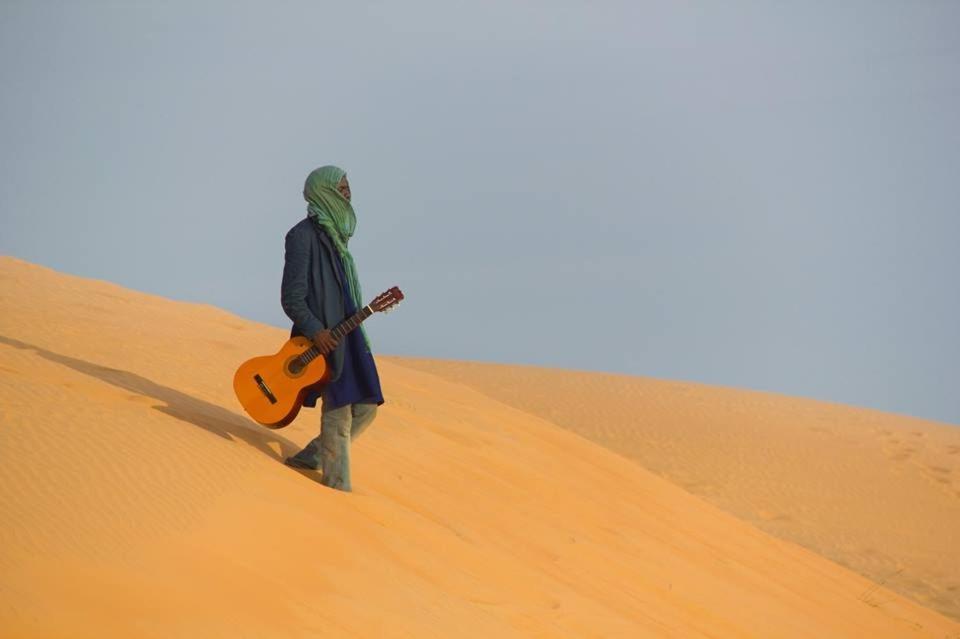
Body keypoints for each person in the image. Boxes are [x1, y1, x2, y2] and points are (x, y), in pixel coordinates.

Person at [279, 165, 385, 492]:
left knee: (366, 408)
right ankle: (338, 490)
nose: (348, 194)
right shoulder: (302, 236)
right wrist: (315, 330)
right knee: (338, 416)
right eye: (341, 188)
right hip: (323, 340)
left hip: (348, 334)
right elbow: (292, 297)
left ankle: (312, 455)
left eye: (348, 187)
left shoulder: (338, 239)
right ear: (323, 192)